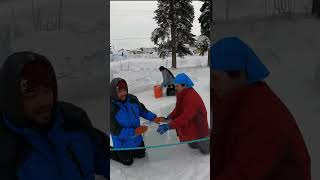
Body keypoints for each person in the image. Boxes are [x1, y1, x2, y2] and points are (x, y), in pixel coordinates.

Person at [210, 37, 311, 180]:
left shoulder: (262, 114)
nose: (212, 85)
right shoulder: (227, 98)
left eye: (216, 78)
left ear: (239, 75)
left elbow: (243, 172)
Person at [0, 51, 109, 180]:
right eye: (32, 95)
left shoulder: (73, 121)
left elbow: (106, 157)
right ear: (13, 99)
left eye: (47, 91)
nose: (44, 101)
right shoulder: (6, 147)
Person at [110, 78, 164, 166]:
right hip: (122, 143)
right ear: (114, 93)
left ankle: (135, 149)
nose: (123, 94)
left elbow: (143, 111)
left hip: (137, 139)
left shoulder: (132, 99)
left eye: (124, 90)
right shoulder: (110, 108)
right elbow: (116, 131)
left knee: (141, 154)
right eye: (119, 92)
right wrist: (135, 131)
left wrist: (154, 118)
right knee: (128, 161)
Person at [157, 73, 210, 154]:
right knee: (192, 144)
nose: (175, 88)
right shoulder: (181, 93)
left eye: (177, 86)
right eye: (175, 85)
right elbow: (178, 108)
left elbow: (184, 118)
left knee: (205, 151)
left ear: (185, 85)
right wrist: (171, 115)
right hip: (191, 126)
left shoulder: (192, 99)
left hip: (199, 127)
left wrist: (169, 126)